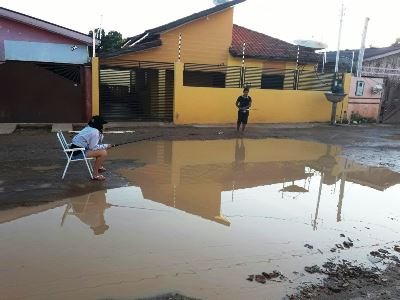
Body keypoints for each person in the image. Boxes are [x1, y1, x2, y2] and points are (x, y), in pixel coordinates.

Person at [71, 115, 112, 181]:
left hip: (74, 150)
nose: (103, 126)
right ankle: (95, 175)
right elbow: (93, 147)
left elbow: (93, 145)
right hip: (76, 153)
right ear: (99, 124)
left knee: (101, 150)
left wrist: (102, 143)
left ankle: (99, 167)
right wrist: (106, 146)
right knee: (103, 153)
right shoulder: (94, 132)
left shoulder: (88, 128)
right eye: (102, 124)